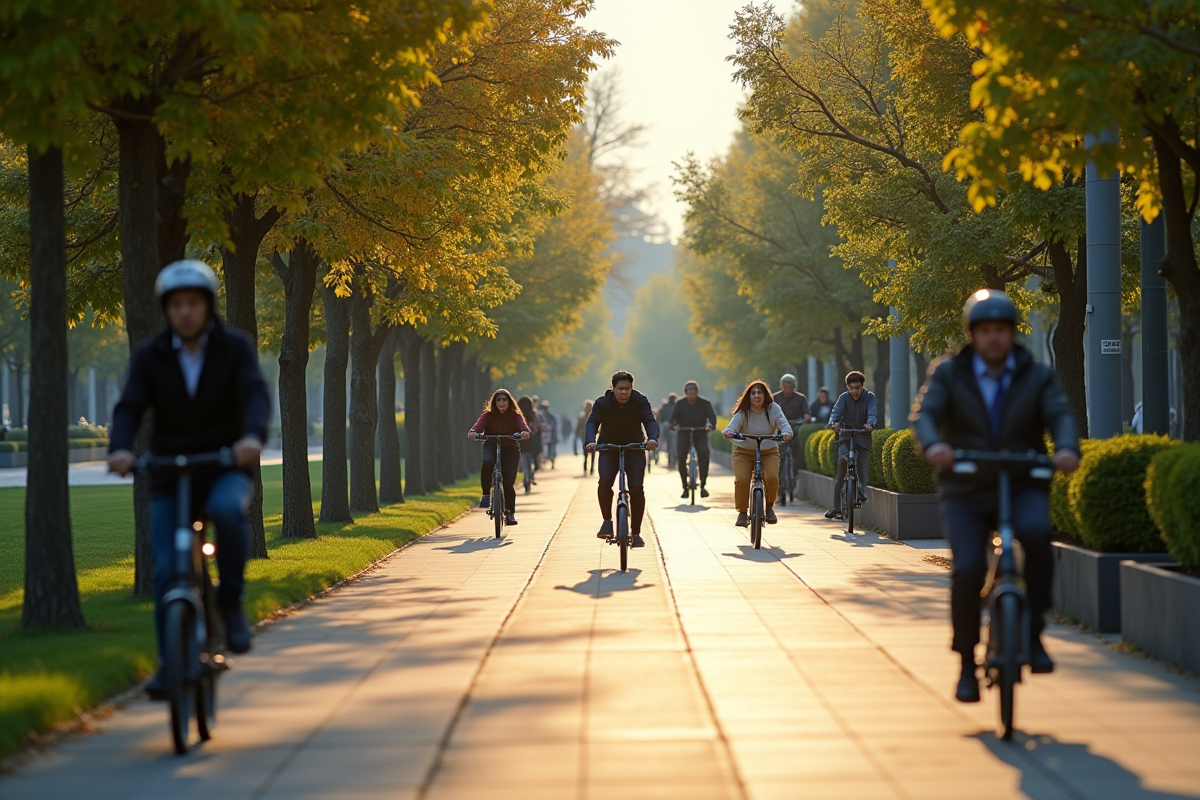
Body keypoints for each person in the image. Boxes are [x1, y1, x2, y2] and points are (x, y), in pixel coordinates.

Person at [106, 259, 269, 699]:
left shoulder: (234, 349)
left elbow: (254, 395)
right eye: (176, 304)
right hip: (169, 473)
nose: (185, 312)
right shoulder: (151, 354)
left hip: (223, 468)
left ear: (208, 305)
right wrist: (120, 448)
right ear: (167, 308)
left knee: (225, 512)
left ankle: (231, 603)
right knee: (166, 571)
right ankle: (169, 664)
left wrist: (251, 437)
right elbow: (129, 406)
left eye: (193, 303)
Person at [912, 289, 1080, 704]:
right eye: (985, 331)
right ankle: (967, 664)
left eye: (1000, 331)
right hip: (966, 487)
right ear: (973, 334)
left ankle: (1036, 631)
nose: (993, 338)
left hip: (1021, 482)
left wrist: (1066, 448)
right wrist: (934, 445)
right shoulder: (949, 373)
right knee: (968, 569)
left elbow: (1059, 413)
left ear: (1011, 334)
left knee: (1039, 538)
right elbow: (927, 415)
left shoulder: (1036, 375)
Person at [585, 370, 659, 547]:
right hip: (608, 448)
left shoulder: (640, 401)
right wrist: (590, 441)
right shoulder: (602, 403)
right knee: (604, 482)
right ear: (613, 388)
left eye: (627, 388)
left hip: (634, 448)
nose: (624, 392)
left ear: (632, 388)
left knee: (636, 488)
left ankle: (636, 533)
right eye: (620, 389)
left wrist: (652, 439)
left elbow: (649, 420)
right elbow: (592, 422)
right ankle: (607, 521)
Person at [723, 380, 793, 527]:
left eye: (759, 392)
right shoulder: (744, 410)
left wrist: (786, 433)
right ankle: (742, 513)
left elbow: (783, 423)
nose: (756, 395)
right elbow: (733, 424)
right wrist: (729, 431)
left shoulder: (773, 408)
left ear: (765, 395)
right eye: (753, 393)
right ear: (748, 396)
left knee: (772, 477)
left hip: (768, 451)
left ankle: (769, 507)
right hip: (744, 451)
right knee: (742, 479)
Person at [468, 389, 531, 525]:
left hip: (510, 447)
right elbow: (477, 427)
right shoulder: (488, 415)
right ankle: (486, 494)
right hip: (491, 444)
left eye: (504, 400)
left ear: (509, 402)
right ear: (494, 402)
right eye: (498, 400)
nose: (501, 403)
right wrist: (473, 433)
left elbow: (523, 426)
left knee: (508, 482)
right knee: (487, 462)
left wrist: (524, 432)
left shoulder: (515, 415)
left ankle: (510, 513)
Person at [826, 371, 877, 520]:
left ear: (862, 386)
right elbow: (836, 411)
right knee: (842, 464)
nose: (855, 391)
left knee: (861, 464)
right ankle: (837, 508)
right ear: (848, 387)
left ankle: (861, 492)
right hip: (845, 435)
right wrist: (834, 423)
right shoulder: (844, 398)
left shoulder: (870, 397)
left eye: (858, 387)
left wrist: (870, 424)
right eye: (852, 388)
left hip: (863, 435)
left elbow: (872, 412)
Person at [668, 380, 717, 498]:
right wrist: (672, 424)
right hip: (684, 432)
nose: (691, 396)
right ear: (685, 393)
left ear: (697, 393)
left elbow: (712, 417)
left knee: (704, 455)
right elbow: (672, 417)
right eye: (689, 393)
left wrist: (712, 425)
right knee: (681, 458)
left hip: (700, 432)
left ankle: (703, 485)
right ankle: (685, 486)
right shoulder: (680, 403)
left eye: (693, 393)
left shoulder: (705, 403)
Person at [774, 374, 812, 489]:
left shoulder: (800, 398)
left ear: (794, 385)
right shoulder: (775, 398)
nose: (787, 386)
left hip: (794, 428)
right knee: (778, 454)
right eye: (784, 384)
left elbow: (807, 413)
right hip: (780, 430)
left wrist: (807, 418)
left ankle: (794, 474)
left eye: (790, 384)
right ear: (781, 385)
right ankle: (779, 481)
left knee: (796, 452)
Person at [517, 395, 541, 486]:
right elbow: (539, 427)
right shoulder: (534, 415)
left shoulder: (517, 415)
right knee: (534, 460)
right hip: (533, 440)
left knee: (524, 457)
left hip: (521, 440)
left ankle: (526, 475)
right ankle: (530, 475)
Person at [658, 393, 678, 468]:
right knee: (674, 442)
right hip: (674, 426)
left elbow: (661, 417)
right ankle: (674, 458)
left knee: (669, 442)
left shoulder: (665, 406)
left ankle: (670, 458)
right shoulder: (676, 406)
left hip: (666, 425)